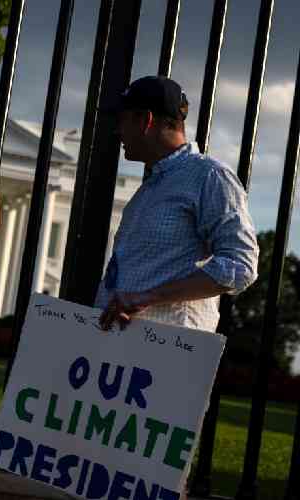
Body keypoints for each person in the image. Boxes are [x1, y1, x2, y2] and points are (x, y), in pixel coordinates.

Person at [96, 75, 259, 336]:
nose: (118, 131)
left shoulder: (209, 176)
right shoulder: (152, 186)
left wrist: (147, 297)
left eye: (122, 120)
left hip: (167, 353)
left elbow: (240, 265)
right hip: (125, 351)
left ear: (145, 121)